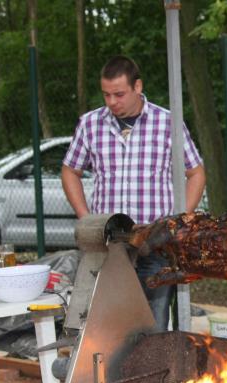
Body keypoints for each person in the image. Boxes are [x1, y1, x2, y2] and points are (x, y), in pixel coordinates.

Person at [61, 55, 206, 331]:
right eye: (106, 95)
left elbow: (196, 172)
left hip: (155, 240)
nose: (112, 102)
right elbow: (70, 171)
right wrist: (86, 218)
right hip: (109, 243)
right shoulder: (90, 124)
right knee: (109, 325)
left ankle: (153, 360)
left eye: (119, 94)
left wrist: (179, 220)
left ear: (137, 87)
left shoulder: (168, 122)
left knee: (154, 323)